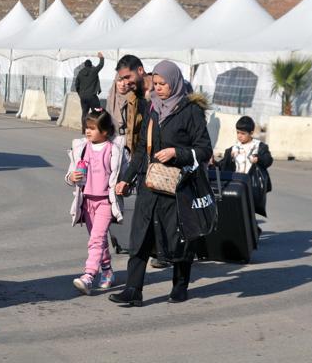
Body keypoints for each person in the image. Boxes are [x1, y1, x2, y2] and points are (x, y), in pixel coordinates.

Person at [110, 60, 212, 306]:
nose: (158, 88)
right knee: (140, 237)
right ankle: (133, 290)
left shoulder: (191, 111)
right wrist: (126, 178)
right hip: (149, 184)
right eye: (155, 84)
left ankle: (180, 286)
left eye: (162, 83)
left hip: (177, 187)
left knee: (177, 237)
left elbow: (204, 149)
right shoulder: (152, 108)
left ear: (174, 82)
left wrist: (177, 152)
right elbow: (140, 153)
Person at [65, 109, 128, 295]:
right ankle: (107, 271)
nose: (88, 131)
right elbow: (69, 176)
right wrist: (72, 177)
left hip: (106, 202)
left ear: (105, 131)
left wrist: (124, 186)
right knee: (98, 241)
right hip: (86, 201)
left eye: (93, 128)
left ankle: (88, 276)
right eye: (87, 127)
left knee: (96, 239)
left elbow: (125, 177)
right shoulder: (81, 148)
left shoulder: (115, 150)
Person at [114, 55, 168, 268]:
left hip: (165, 159)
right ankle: (147, 256)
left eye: (127, 76)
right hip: (142, 158)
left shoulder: (162, 90)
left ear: (141, 70)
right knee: (145, 211)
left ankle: (167, 252)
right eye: (121, 78)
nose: (124, 82)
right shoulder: (133, 96)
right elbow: (134, 132)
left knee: (163, 210)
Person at [215, 116, 273, 218]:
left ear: (251, 133)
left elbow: (268, 160)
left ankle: (252, 231)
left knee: (248, 212)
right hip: (236, 186)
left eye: (243, 133)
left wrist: (258, 159)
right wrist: (213, 163)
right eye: (238, 132)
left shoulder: (259, 147)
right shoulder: (233, 149)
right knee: (237, 212)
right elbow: (222, 166)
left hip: (251, 186)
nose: (239, 136)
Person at [106, 73, 149, 155]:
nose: (122, 84)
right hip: (113, 140)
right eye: (119, 80)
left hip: (132, 142)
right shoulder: (111, 98)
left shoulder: (137, 100)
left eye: (126, 81)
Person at [75, 52, 105, 133]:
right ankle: (97, 129)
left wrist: (80, 94)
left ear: (85, 65)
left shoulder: (80, 73)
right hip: (92, 96)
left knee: (84, 113)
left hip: (83, 97)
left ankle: (84, 129)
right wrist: (101, 58)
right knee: (97, 112)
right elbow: (101, 65)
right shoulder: (93, 71)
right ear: (91, 65)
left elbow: (76, 85)